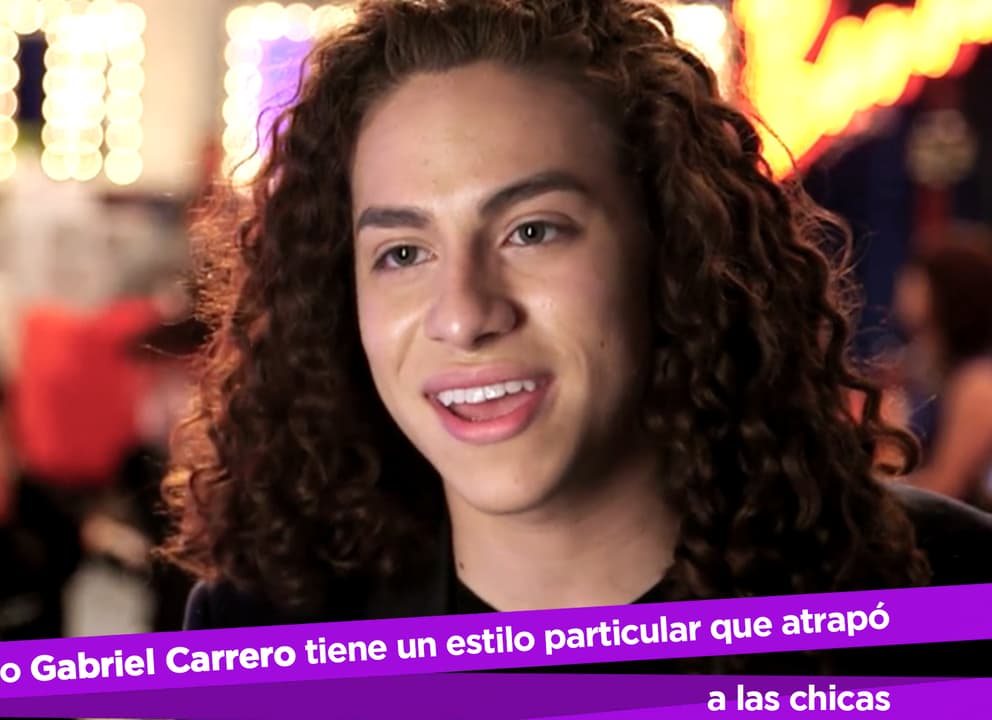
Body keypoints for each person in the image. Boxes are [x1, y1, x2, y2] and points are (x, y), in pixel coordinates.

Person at [160, 0, 992, 676]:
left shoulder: (940, 597)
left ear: (671, 248)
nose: (464, 314)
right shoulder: (262, 635)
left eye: (533, 231)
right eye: (403, 253)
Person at [893, 234, 992, 509]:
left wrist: (870, 495)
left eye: (918, 279)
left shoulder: (976, 382)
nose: (904, 286)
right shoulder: (930, 367)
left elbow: (947, 485)